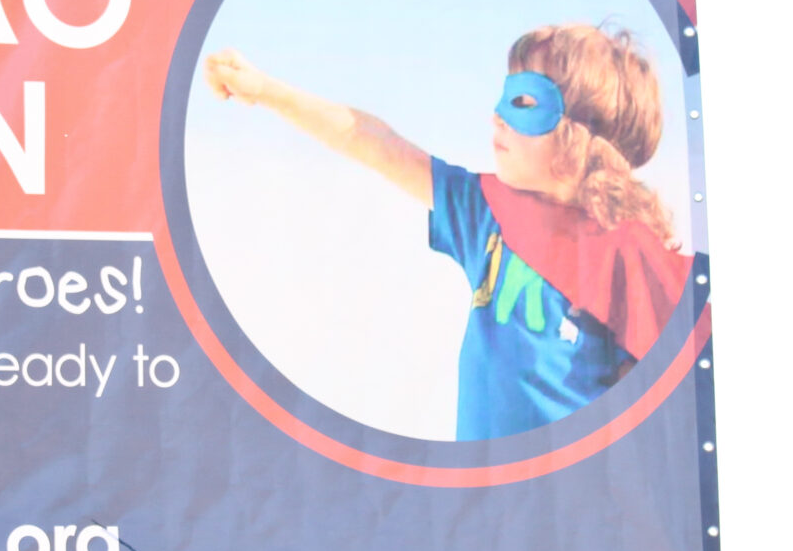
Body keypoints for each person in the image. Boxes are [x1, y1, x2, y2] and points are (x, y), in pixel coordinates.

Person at [203, 23, 691, 440]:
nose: (496, 115)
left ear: (581, 133)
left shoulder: (630, 253)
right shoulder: (485, 214)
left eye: (523, 101)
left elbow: (663, 408)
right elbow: (371, 140)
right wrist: (265, 90)